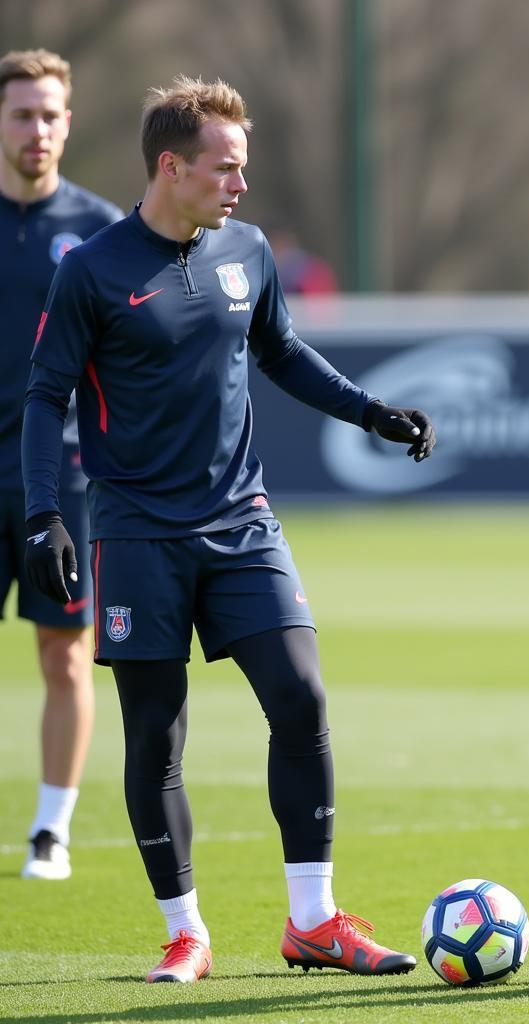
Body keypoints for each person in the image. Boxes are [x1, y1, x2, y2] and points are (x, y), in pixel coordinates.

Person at [21, 75, 435, 984]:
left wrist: (369, 411)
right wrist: (45, 513)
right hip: (134, 533)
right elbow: (46, 392)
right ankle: (185, 932)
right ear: (171, 166)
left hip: (241, 523)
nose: (240, 185)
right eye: (226, 167)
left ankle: (315, 922)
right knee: (155, 738)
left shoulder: (245, 249)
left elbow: (281, 350)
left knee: (301, 699)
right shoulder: (92, 268)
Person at [0, 48, 123, 881]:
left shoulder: (103, 231)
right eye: (21, 113)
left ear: (68, 123)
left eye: (49, 114)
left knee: (64, 654)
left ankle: (52, 829)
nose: (36, 128)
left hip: (60, 480)